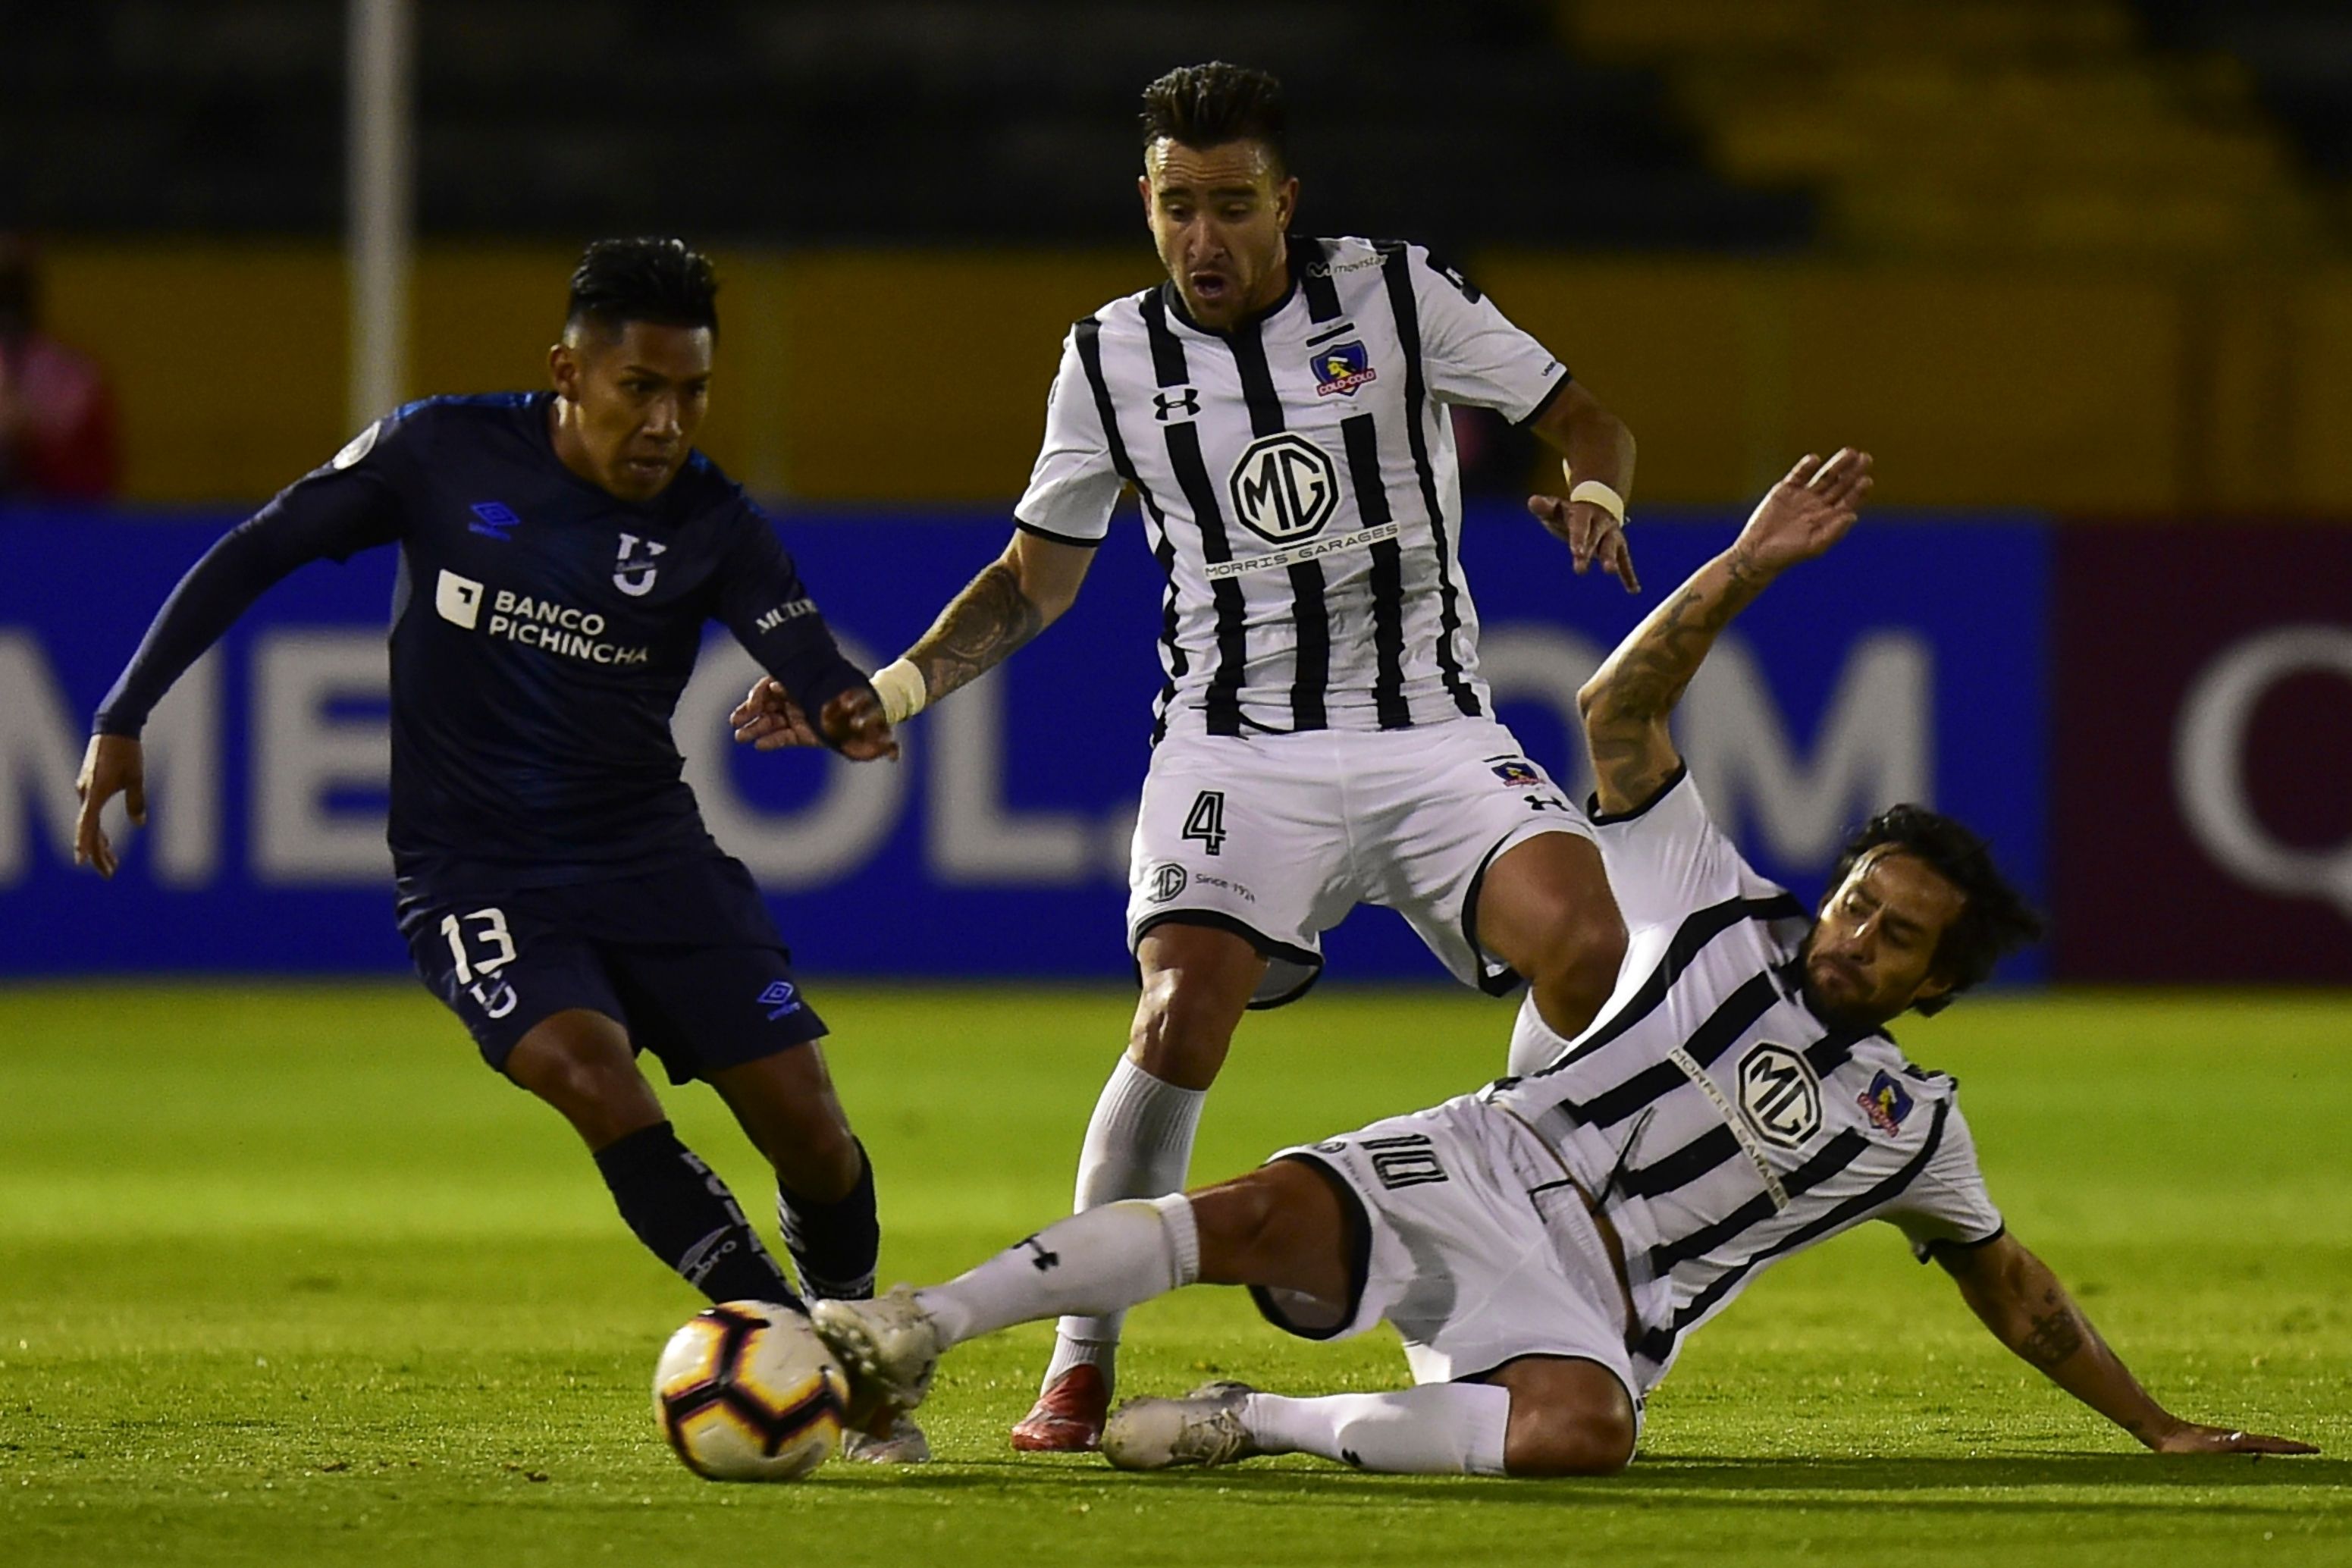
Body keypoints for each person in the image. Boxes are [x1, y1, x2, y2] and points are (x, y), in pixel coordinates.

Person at [802, 447, 2319, 1476]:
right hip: (1485, 1162)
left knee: (1585, 1436)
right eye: (1858, 897)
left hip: (1595, 1311)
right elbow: (1615, 712)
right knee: (1254, 1210)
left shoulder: (1913, 1128)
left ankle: (1254, 1415)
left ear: (1938, 979)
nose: (1853, 929)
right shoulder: (1717, 901)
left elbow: (2019, 1289)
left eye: (1894, 931)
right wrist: (1745, 566)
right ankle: (917, 1323)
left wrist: (2159, 1426)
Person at [732, 61, 1642, 1451]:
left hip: (1430, 734)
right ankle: (1079, 1355)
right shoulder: (1106, 358)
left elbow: (1585, 415)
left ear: (1286, 201)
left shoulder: (1397, 295)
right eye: (1175, 210)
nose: (1202, 240)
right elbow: (1034, 580)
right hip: (1236, 750)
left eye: (1230, 206)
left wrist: (1590, 484)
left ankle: (1494, 1211)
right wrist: (896, 687)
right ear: (1143, 206)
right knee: (1175, 1021)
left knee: (1588, 940)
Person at [71, 238, 927, 1463]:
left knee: (808, 1126)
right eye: (641, 388)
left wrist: (847, 711)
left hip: (652, 860)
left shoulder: (711, 521)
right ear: (566, 373)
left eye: (691, 392)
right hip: (476, 874)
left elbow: (808, 659)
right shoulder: (441, 453)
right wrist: (121, 713)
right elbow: (260, 547)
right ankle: (813, 1357)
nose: (667, 422)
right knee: (587, 1075)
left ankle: (843, 1309)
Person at [0, 235, 120, 500]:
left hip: (52, 524)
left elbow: (94, 479)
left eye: (12, 284)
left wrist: (34, 435)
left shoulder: (74, 376)